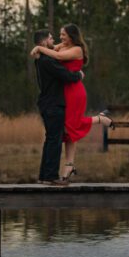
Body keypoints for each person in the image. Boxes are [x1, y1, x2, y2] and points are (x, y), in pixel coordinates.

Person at [31, 24, 113, 183]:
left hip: (72, 93)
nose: (57, 38)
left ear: (71, 35)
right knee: (58, 135)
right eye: (53, 36)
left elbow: (60, 58)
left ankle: (56, 171)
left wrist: (39, 49)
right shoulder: (50, 57)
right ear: (44, 41)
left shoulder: (73, 50)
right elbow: (63, 69)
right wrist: (77, 75)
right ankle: (52, 173)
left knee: (63, 131)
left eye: (62, 34)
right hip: (58, 98)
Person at [32, 29, 85, 186]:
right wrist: (79, 75)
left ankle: (44, 176)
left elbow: (58, 49)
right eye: (50, 38)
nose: (53, 40)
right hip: (54, 104)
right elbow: (66, 76)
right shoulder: (48, 61)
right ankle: (51, 176)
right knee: (54, 141)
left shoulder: (41, 59)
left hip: (46, 103)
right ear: (43, 42)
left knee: (50, 140)